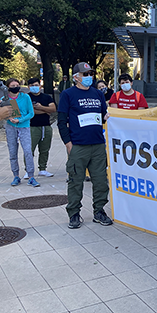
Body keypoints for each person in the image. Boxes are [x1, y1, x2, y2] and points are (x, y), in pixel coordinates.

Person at [58, 62, 113, 229]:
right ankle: (74, 213)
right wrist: (68, 143)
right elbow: (61, 121)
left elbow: (104, 115)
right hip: (78, 146)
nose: (89, 77)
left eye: (90, 73)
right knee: (75, 181)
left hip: (97, 145)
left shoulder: (97, 94)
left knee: (101, 181)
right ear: (76, 77)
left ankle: (99, 211)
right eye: (85, 74)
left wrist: (108, 116)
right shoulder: (68, 94)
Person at [1, 79, 38, 187]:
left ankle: (31, 176)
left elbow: (31, 113)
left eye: (17, 85)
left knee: (27, 151)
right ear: (8, 87)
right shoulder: (5, 98)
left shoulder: (25, 97)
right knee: (12, 152)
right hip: (10, 126)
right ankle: (15, 175)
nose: (16, 87)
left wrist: (20, 120)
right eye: (13, 85)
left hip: (24, 126)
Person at [25, 77, 56, 178]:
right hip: (31, 127)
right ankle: (28, 170)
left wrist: (40, 107)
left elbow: (53, 109)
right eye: (32, 85)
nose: (34, 87)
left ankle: (42, 169)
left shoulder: (46, 97)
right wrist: (45, 110)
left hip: (46, 126)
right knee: (29, 150)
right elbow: (27, 112)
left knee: (45, 149)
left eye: (36, 85)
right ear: (29, 87)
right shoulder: (26, 97)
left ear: (40, 85)